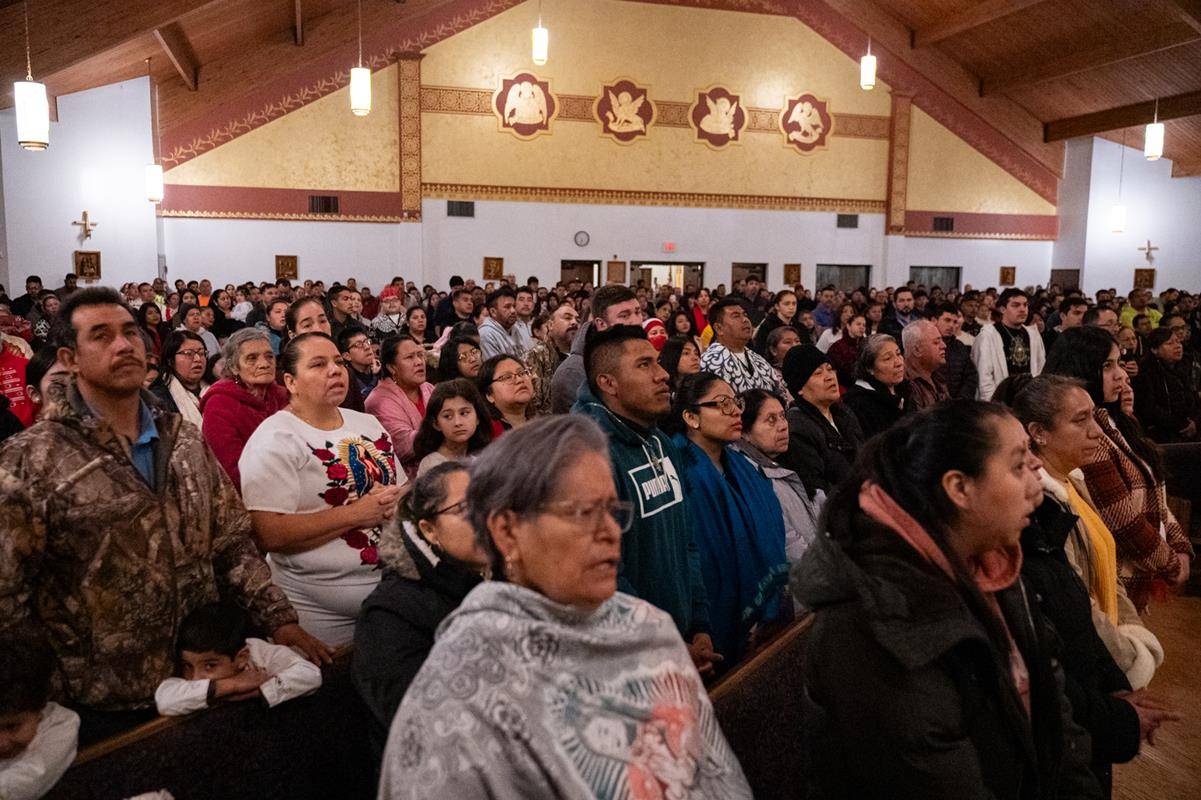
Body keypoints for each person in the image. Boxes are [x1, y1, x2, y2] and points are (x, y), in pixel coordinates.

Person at [0, 289, 326, 743]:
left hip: (202, 674)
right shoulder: (31, 460)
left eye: (131, 332)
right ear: (69, 359)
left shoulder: (184, 441)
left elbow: (231, 543)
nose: (123, 345)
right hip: (98, 701)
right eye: (102, 336)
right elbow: (8, 600)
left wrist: (279, 620)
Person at [378, 415, 751, 799]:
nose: (608, 532)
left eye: (611, 511)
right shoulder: (458, 688)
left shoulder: (646, 626)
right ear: (507, 531)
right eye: (581, 513)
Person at [794, 400, 1100, 799]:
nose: (1037, 478)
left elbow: (1051, 714)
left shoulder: (992, 562)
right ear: (959, 488)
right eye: (1018, 464)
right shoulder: (870, 627)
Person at [239, 333, 405, 647]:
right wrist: (356, 514)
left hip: (390, 589)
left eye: (339, 363)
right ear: (290, 381)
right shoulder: (275, 439)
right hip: (319, 611)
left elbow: (402, 487)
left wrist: (398, 502)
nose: (335, 370)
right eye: (318, 364)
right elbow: (269, 533)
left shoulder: (368, 424)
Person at [573, 326, 719, 669]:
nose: (663, 374)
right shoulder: (588, 456)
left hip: (677, 639)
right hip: (626, 658)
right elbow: (602, 574)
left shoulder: (659, 442)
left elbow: (687, 540)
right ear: (609, 383)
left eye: (657, 362)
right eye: (644, 365)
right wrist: (661, 642)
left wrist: (699, 623)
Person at [1045, 327, 1193, 611]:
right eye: (1107, 365)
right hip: (1112, 580)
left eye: (1120, 363)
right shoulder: (1087, 435)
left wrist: (1180, 544)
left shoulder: (1112, 420)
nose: (1122, 375)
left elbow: (1153, 489)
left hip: (1133, 576)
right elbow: (1122, 517)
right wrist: (1171, 562)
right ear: (1081, 368)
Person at [354, 463, 486, 760]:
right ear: (429, 529)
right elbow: (420, 724)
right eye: (466, 508)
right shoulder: (388, 614)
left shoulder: (498, 581)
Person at [670, 372, 789, 667]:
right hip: (715, 624)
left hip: (766, 619)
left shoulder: (741, 466)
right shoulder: (682, 472)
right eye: (722, 404)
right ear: (691, 417)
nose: (736, 410)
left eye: (735, 402)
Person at [154, 603, 322, 716]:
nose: (195, 677)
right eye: (188, 666)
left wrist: (260, 690)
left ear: (242, 657)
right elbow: (165, 700)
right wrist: (232, 684)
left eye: (209, 666)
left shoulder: (257, 651)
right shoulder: (192, 678)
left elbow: (311, 675)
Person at [732, 389, 823, 573]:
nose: (783, 426)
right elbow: (788, 545)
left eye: (783, 416)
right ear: (745, 432)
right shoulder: (750, 477)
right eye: (771, 420)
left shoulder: (796, 458)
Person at [200, 328, 288, 489]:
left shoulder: (283, 396)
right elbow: (232, 472)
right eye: (252, 358)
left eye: (269, 356)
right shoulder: (219, 405)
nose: (264, 364)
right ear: (234, 367)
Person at [0, 627, 80, 800]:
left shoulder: (61, 726)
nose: (2, 743)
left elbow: (27, 778)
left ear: (39, 709)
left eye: (12, 726)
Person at [779, 345, 864, 497]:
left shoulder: (843, 413)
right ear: (799, 388)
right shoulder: (798, 430)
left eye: (830, 369)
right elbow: (818, 491)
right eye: (818, 373)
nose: (830, 376)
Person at [550, 284, 644, 413]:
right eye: (624, 315)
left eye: (638, 312)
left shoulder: (637, 354)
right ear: (601, 324)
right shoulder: (573, 372)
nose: (636, 321)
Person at [366, 336, 436, 480]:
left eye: (420, 355)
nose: (419, 362)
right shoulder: (379, 401)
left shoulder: (428, 388)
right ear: (392, 367)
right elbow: (403, 446)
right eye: (409, 357)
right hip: (407, 482)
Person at [699, 296, 787, 395]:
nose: (745, 319)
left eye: (745, 314)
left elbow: (781, 393)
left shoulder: (758, 359)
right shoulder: (710, 361)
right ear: (719, 328)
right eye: (736, 316)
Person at [973, 288, 1046, 401]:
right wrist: (992, 405)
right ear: (1002, 309)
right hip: (1000, 401)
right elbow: (984, 376)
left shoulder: (1032, 335)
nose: (1022, 309)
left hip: (1028, 400)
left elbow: (1040, 370)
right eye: (1016, 305)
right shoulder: (988, 335)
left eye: (1025, 305)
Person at [412, 379, 493, 477]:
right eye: (448, 416)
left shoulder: (484, 455)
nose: (457, 423)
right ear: (436, 424)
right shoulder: (432, 465)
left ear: (478, 417)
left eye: (464, 413)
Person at [1134, 326, 1200, 442]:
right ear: (1154, 350)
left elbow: (1194, 400)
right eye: (1169, 343)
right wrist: (1181, 425)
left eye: (1178, 342)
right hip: (1161, 434)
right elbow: (1149, 409)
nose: (1178, 346)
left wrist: (1195, 422)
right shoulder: (1145, 372)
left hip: (1190, 429)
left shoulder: (1183, 368)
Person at [843, 333, 908, 439]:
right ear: (869, 368)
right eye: (888, 358)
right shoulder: (857, 403)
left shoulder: (904, 388)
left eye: (899, 354)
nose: (898, 362)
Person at [524, 303, 579, 416]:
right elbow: (536, 402)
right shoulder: (536, 355)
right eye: (567, 318)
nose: (574, 322)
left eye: (577, 319)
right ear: (550, 325)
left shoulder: (583, 354)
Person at [149, 330, 211, 428]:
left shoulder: (215, 389)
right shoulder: (157, 398)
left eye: (202, 353)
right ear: (170, 361)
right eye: (188, 353)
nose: (197, 359)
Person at [931, 302, 979, 400]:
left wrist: (962, 399)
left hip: (958, 405)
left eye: (955, 322)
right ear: (934, 320)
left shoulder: (960, 347)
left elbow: (970, 376)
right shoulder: (926, 346)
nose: (951, 325)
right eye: (947, 320)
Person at [477, 354, 533, 436]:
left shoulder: (544, 422)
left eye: (521, 373)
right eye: (507, 377)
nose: (519, 380)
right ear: (489, 395)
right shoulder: (487, 436)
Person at [902, 319, 949, 411]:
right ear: (917, 350)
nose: (944, 346)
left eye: (942, 340)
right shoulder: (904, 384)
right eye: (936, 342)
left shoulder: (937, 376)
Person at [338, 325, 381, 401]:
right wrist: (375, 377)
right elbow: (362, 401)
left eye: (367, 341)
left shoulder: (381, 368)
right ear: (347, 356)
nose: (367, 347)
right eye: (358, 344)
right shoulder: (346, 380)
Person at [752, 289, 799, 355]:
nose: (791, 307)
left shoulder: (800, 326)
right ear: (777, 306)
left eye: (794, 303)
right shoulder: (767, 326)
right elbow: (760, 351)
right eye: (787, 304)